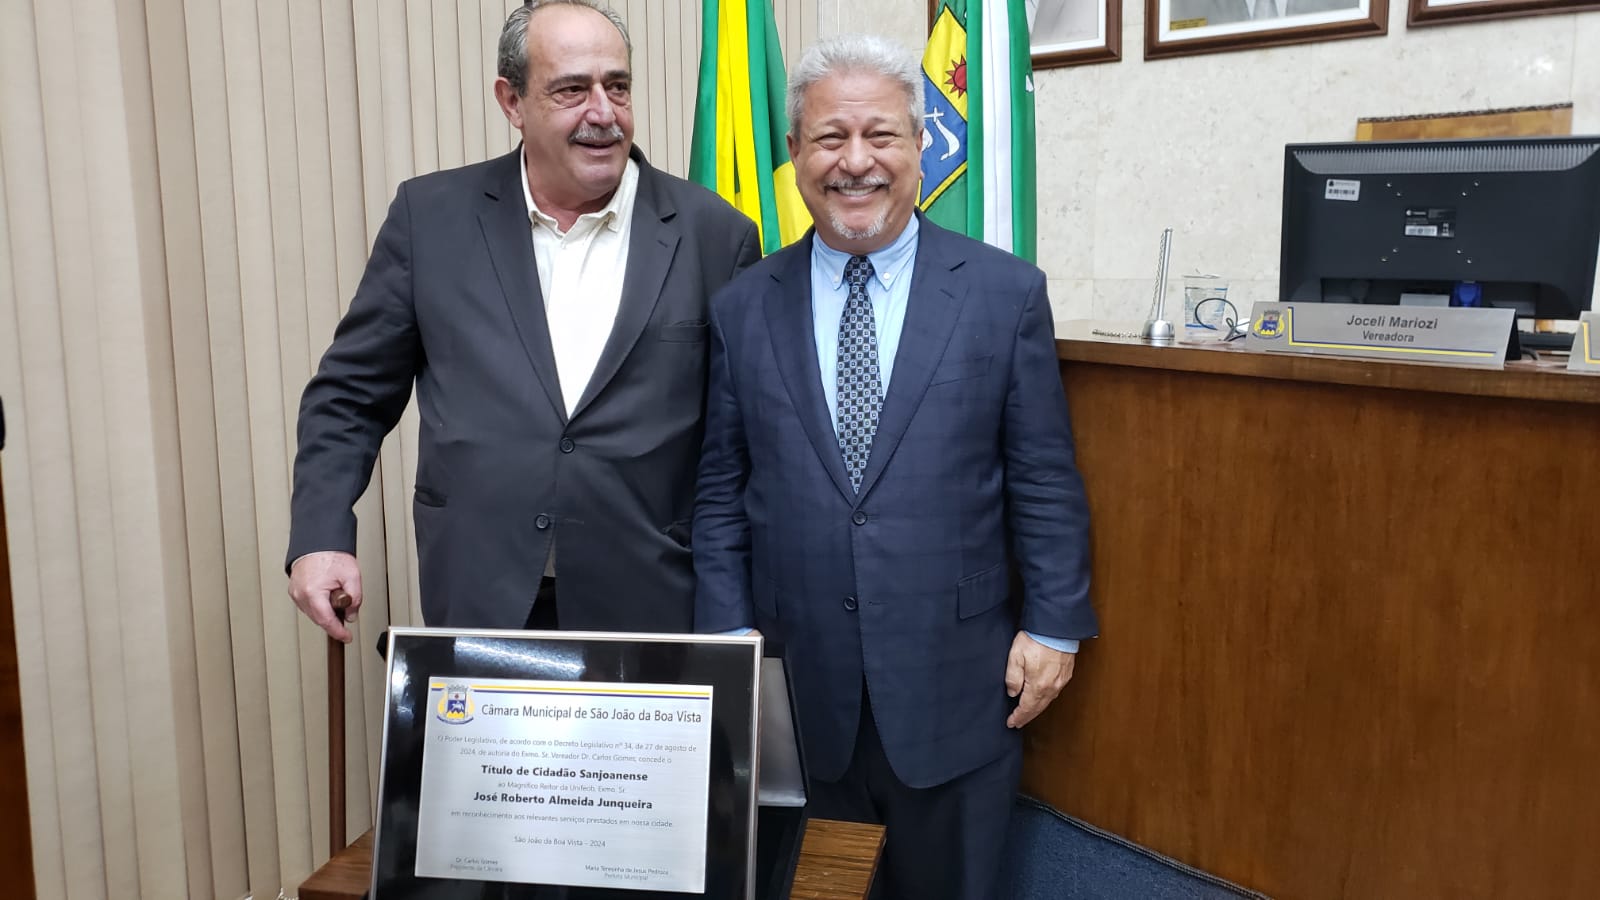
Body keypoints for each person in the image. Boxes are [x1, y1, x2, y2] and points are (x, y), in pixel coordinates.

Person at [693, 34, 1098, 900]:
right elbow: (722, 492)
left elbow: (1042, 476)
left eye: (880, 135)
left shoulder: (1004, 293)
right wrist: (728, 643)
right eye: (829, 138)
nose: (855, 162)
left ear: (920, 144)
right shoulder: (741, 307)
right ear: (794, 153)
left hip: (958, 688)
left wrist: (1056, 625)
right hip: (799, 700)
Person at [287, 0, 760, 642]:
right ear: (512, 102)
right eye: (572, 90)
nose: (603, 112)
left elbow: (739, 445)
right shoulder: (431, 220)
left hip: (650, 604)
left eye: (617, 86)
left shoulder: (716, 235)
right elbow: (349, 397)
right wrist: (320, 535)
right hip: (481, 591)